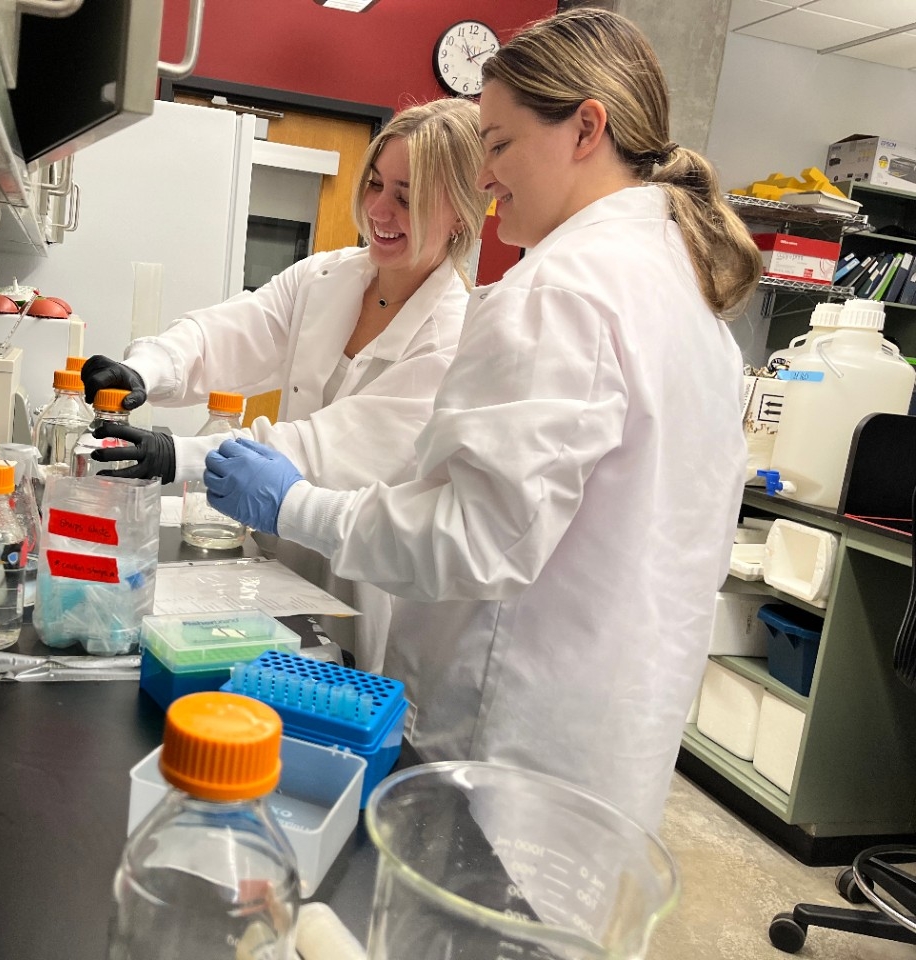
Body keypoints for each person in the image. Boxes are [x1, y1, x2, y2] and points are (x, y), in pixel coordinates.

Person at [201, 8, 762, 829]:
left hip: (505, 750)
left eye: (497, 144)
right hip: (609, 742)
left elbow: (472, 540)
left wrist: (292, 505)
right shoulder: (689, 297)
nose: (487, 175)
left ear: (585, 129)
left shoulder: (560, 292)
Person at [81, 99, 490, 672]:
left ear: (461, 215)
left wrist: (180, 455)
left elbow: (325, 449)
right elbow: (227, 333)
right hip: (274, 570)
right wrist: (145, 368)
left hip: (359, 587)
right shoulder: (325, 278)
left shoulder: (453, 337)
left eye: (407, 195)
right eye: (374, 184)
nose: (378, 208)